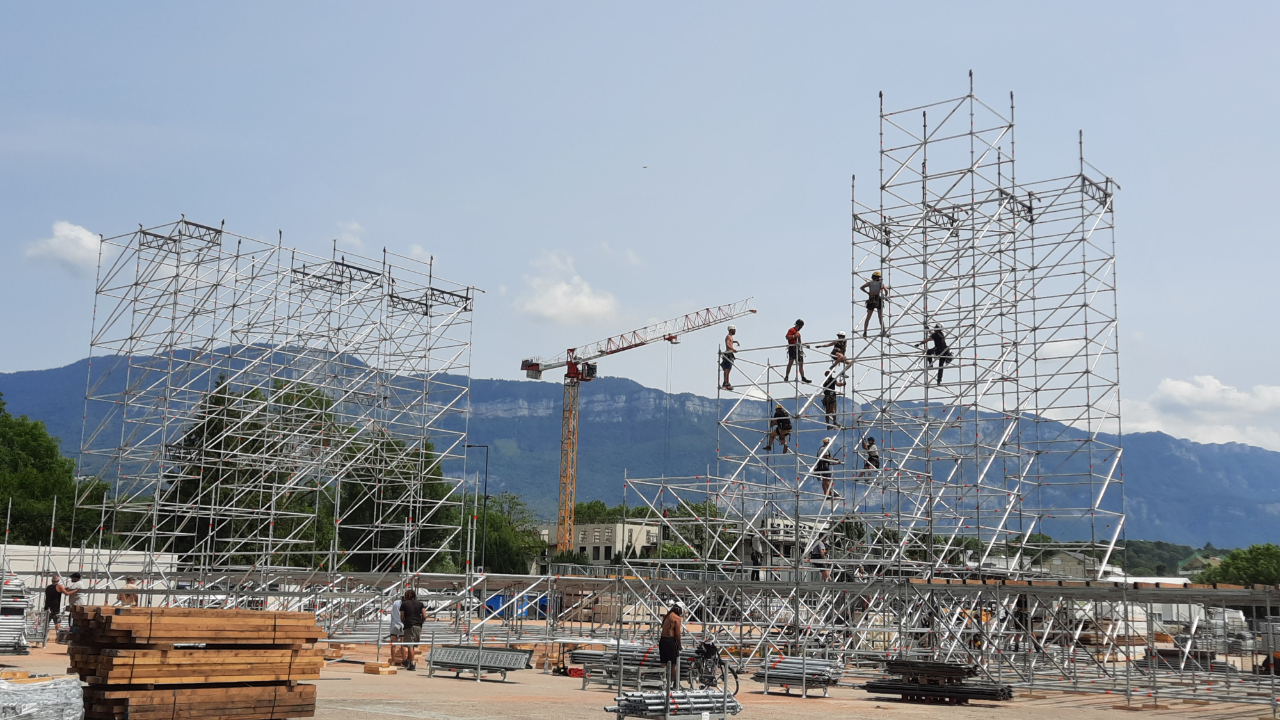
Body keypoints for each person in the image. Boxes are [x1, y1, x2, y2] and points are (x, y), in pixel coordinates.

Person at [398, 588, 426, 671]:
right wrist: (421, 622)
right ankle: (409, 660)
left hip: (409, 625)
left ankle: (412, 663)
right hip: (418, 625)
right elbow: (424, 615)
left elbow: (402, 616)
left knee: (410, 645)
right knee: (413, 644)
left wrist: (404, 622)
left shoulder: (404, 604)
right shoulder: (420, 604)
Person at [659, 602, 684, 685]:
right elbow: (677, 634)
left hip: (662, 640)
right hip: (670, 641)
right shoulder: (676, 618)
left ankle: (662, 681)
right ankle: (675, 683)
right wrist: (679, 645)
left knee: (663, 662)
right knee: (674, 663)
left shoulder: (667, 616)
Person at [860, 272, 890, 338]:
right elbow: (886, 290)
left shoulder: (870, 283)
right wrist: (885, 297)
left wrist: (868, 293)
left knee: (868, 317)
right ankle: (884, 330)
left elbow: (861, 287)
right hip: (878, 299)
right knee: (880, 317)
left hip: (871, 300)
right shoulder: (880, 283)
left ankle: (865, 332)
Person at [720, 325, 739, 391]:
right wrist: (733, 349)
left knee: (729, 369)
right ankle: (725, 382)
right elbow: (728, 344)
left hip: (730, 354)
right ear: (731, 330)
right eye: (734, 330)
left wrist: (735, 342)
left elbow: (730, 342)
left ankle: (727, 382)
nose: (735, 331)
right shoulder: (728, 336)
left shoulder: (730, 337)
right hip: (728, 353)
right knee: (727, 369)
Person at [388, 593, 405, 665]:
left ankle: (393, 660)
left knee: (393, 645)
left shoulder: (395, 603)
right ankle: (404, 660)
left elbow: (392, 614)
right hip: (402, 625)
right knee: (403, 644)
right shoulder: (404, 605)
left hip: (394, 625)